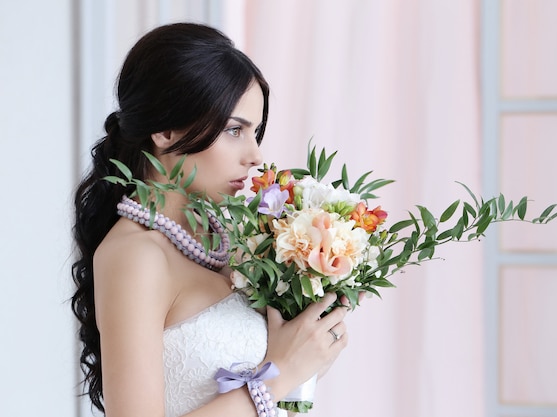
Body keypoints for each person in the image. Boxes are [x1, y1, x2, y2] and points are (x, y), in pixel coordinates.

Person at [71, 22, 350, 417]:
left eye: (255, 132)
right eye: (235, 129)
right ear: (165, 131)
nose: (254, 156)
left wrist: (311, 347)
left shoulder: (233, 240)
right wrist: (282, 372)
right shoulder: (136, 254)